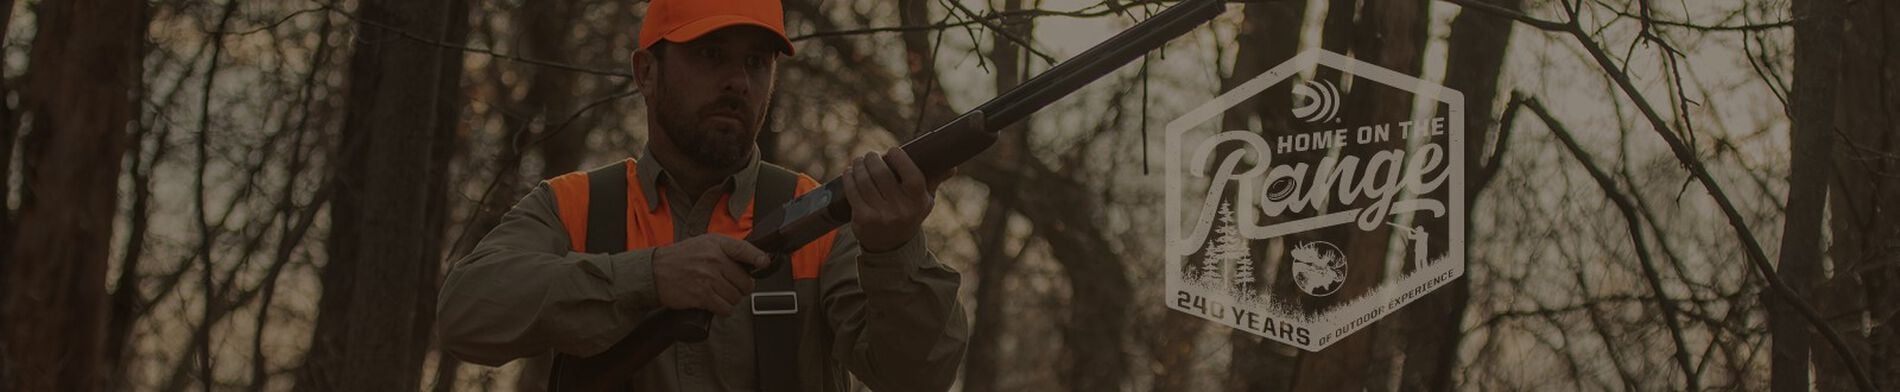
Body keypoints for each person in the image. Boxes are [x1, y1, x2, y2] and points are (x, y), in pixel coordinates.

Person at [435, 0, 969, 390]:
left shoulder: (824, 222)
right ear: (646, 72)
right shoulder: (573, 205)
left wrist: (894, 250)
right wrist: (649, 278)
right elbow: (465, 316)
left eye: (757, 63)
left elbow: (918, 377)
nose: (738, 80)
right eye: (711, 54)